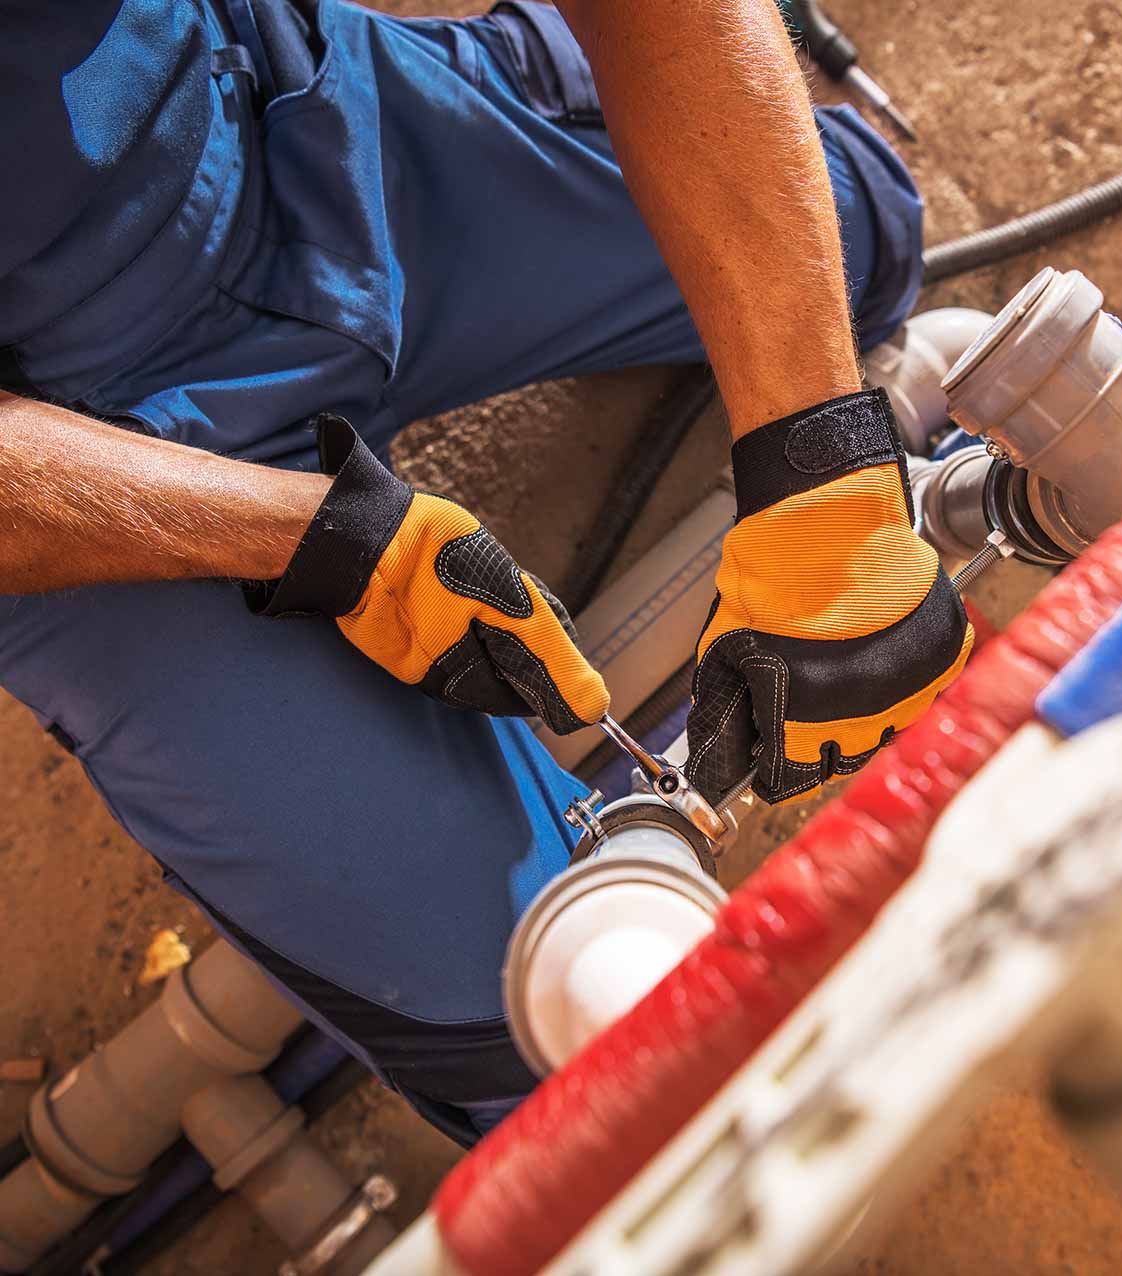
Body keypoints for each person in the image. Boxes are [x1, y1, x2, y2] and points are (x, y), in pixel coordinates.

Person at [0, 0, 971, 1144]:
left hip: (266, 124)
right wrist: (327, 540)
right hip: (66, 455)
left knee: (858, 231)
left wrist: (822, 455)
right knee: (564, 1061)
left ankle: (510, 80)